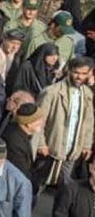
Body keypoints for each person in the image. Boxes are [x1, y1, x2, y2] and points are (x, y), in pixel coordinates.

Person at [35, 56, 94, 185]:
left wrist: (86, 145)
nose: (79, 77)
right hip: (50, 149)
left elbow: (89, 123)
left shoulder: (88, 94)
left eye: (83, 73)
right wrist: (40, 143)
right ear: (70, 70)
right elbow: (39, 120)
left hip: (72, 151)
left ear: (89, 73)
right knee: (38, 186)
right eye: (76, 72)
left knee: (65, 189)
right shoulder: (52, 92)